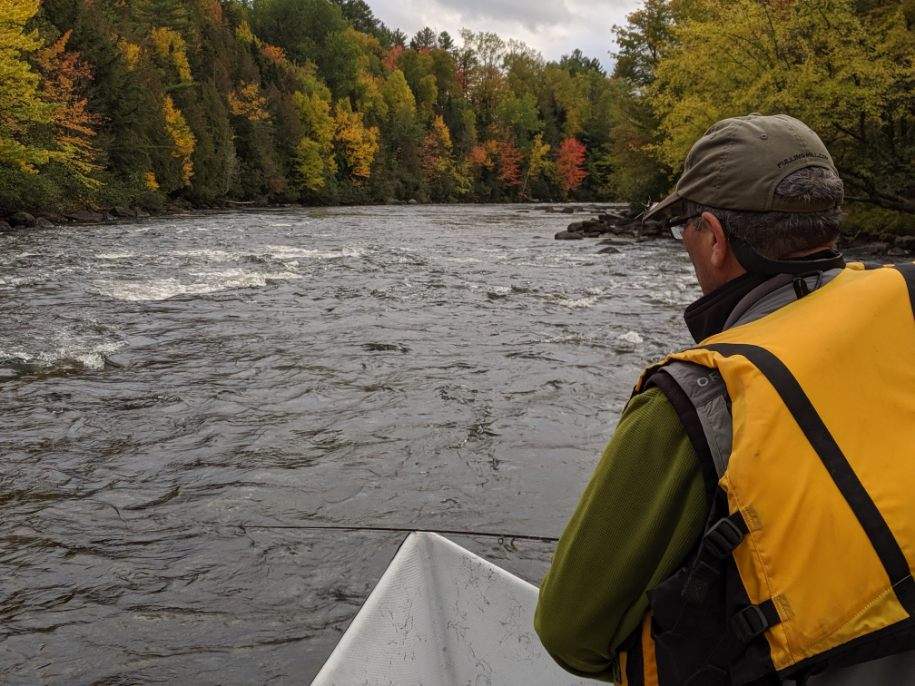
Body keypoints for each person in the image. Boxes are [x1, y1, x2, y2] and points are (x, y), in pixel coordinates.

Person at [534, 114, 915, 685]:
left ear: (713, 237)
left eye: (683, 226)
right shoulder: (906, 299)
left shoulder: (696, 397)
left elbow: (569, 633)